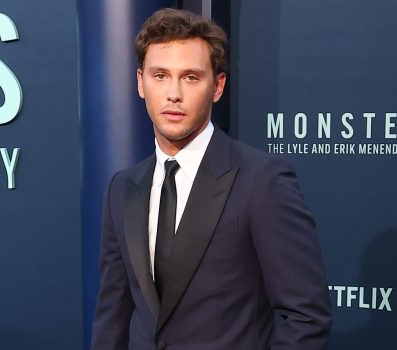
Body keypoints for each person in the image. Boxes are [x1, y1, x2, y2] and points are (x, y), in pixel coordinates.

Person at [91, 8, 332, 350]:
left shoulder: (261, 180)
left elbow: (307, 317)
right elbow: (113, 315)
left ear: (217, 86)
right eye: (160, 75)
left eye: (190, 77)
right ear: (140, 82)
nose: (173, 93)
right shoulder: (122, 188)